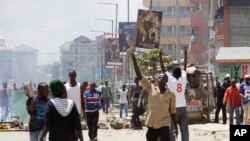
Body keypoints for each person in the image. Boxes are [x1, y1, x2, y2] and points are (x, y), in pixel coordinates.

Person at [129, 48, 178, 141]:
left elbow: (173, 112)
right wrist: (134, 60)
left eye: (162, 77)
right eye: (159, 77)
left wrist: (176, 126)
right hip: (151, 124)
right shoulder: (150, 87)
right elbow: (140, 76)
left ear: (166, 80)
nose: (159, 78)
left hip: (164, 125)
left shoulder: (171, 95)